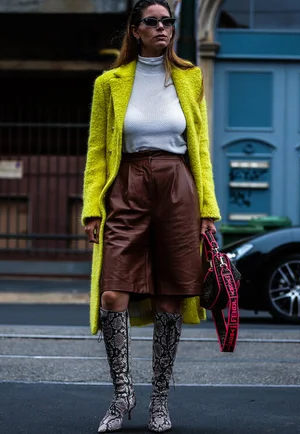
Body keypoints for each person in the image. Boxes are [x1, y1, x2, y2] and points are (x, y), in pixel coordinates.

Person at [80, 0, 221, 432]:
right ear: (135, 29)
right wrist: (91, 209)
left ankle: (159, 400)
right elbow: (98, 150)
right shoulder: (110, 83)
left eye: (167, 22)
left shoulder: (189, 77)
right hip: (127, 186)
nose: (162, 28)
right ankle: (123, 396)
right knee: (112, 294)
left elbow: (200, 146)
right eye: (152, 22)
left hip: (178, 187)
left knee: (171, 297)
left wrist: (207, 209)